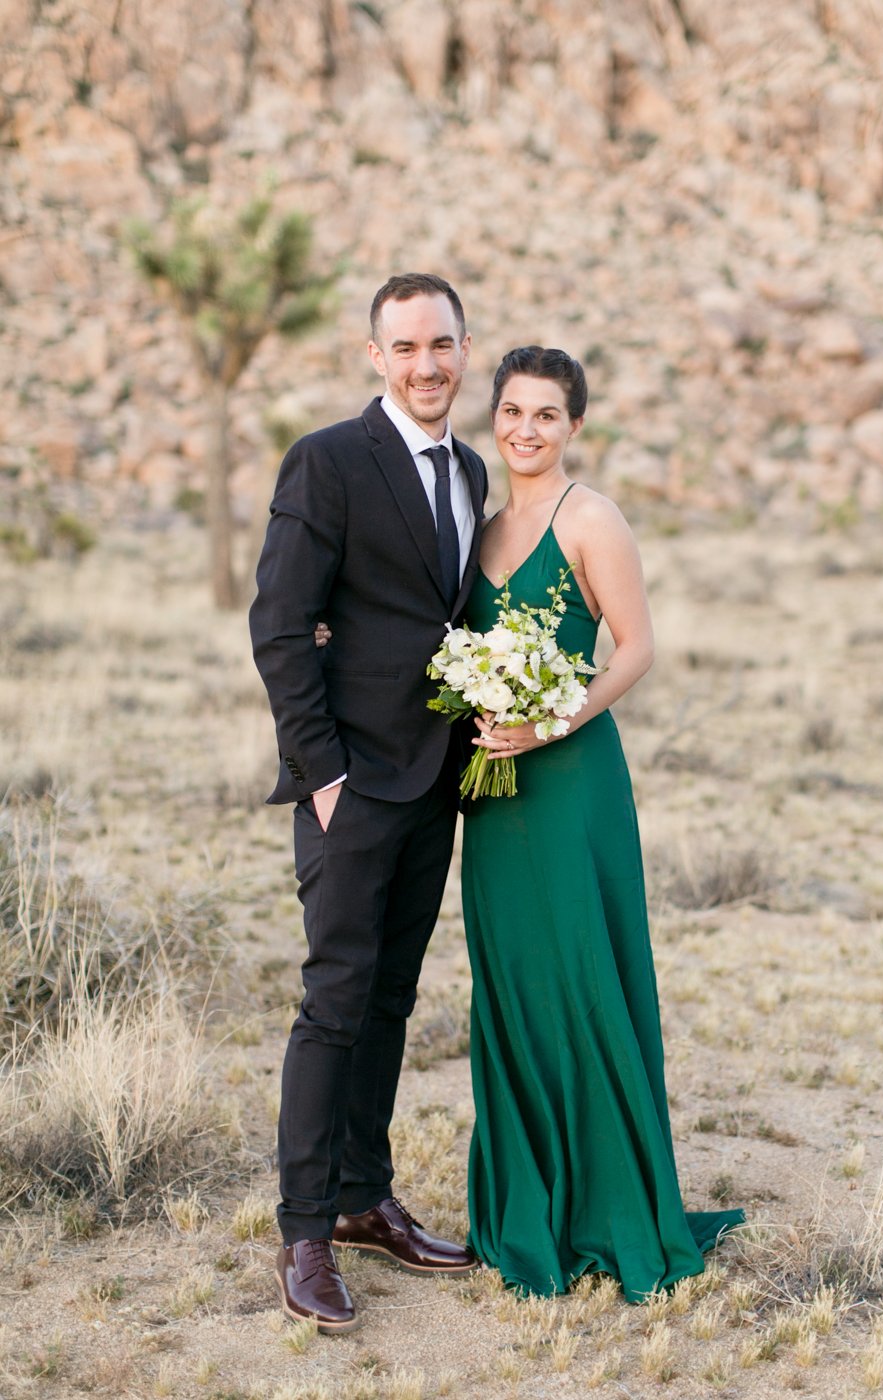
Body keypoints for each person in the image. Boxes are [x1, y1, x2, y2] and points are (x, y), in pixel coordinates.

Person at [460, 346, 744, 1298]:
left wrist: (550, 718)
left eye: (546, 414)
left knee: (584, 974)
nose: (524, 430)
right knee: (513, 984)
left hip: (573, 779)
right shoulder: (483, 524)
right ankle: (528, 1204)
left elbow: (636, 647)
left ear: (574, 425)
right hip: (494, 793)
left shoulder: (590, 518)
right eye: (510, 411)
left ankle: (612, 1207)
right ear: (491, 417)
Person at [249, 273, 487, 1333]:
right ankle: (304, 1228)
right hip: (352, 783)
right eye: (406, 346)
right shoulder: (330, 459)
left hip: (434, 781)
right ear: (373, 354)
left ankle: (361, 1194)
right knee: (335, 999)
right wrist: (324, 772)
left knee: (390, 999)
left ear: (464, 349)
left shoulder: (472, 469)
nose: (426, 363)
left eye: (441, 343)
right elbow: (281, 622)